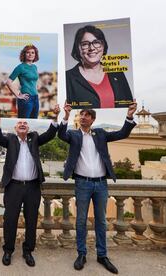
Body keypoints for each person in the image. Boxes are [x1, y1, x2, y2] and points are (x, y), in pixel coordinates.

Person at [58, 101, 137, 274]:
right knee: (81, 220)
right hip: (82, 183)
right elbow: (61, 135)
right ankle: (81, 254)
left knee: (101, 221)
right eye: (81, 115)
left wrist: (129, 115)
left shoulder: (100, 133)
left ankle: (102, 255)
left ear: (93, 119)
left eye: (87, 115)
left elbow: (122, 133)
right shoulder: (73, 134)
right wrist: (65, 115)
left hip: (101, 183)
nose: (83, 117)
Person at [0, 105, 60, 267]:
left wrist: (55, 117)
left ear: (28, 127)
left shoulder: (35, 138)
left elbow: (50, 134)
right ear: (15, 128)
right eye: (19, 123)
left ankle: (28, 251)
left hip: (32, 187)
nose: (22, 124)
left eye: (24, 123)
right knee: (10, 220)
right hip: (14, 187)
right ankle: (8, 250)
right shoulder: (10, 139)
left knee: (31, 220)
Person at [66, 25, 133, 109]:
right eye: (85, 44)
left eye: (96, 42)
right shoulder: (67, 78)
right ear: (78, 48)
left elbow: (129, 107)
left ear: (103, 46)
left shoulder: (118, 74)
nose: (91, 48)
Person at [6, 44, 40, 118]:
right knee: (24, 122)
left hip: (36, 98)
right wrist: (18, 95)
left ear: (35, 55)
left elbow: (33, 81)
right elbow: (8, 82)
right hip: (26, 99)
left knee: (34, 123)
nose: (30, 54)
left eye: (33, 52)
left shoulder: (34, 67)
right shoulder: (20, 67)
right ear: (24, 54)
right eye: (28, 52)